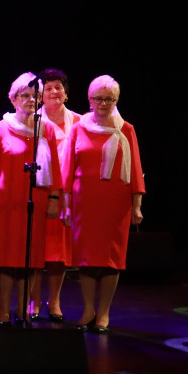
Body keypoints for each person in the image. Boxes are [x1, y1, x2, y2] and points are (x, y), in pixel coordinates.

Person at [62, 75, 144, 334]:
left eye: (110, 99)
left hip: (116, 204)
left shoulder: (126, 129)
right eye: (99, 98)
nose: (104, 103)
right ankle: (88, 310)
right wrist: (65, 204)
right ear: (89, 100)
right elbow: (67, 169)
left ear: (116, 100)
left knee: (111, 259)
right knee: (86, 259)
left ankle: (104, 313)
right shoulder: (78, 128)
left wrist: (137, 205)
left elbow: (136, 170)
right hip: (84, 202)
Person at [0, 72, 63, 326]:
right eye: (24, 95)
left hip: (35, 201)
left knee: (31, 258)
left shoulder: (46, 128)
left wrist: (53, 198)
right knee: (6, 259)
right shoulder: (0, 127)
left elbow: (56, 169)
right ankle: (3, 311)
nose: (30, 100)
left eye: (34, 96)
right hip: (6, 203)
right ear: (13, 98)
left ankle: (24, 309)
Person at [31, 68, 81, 322]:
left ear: (66, 93)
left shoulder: (80, 122)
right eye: (48, 88)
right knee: (36, 248)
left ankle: (55, 301)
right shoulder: (32, 120)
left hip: (67, 195)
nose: (53, 92)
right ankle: (34, 299)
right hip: (40, 191)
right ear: (40, 95)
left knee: (59, 253)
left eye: (58, 87)